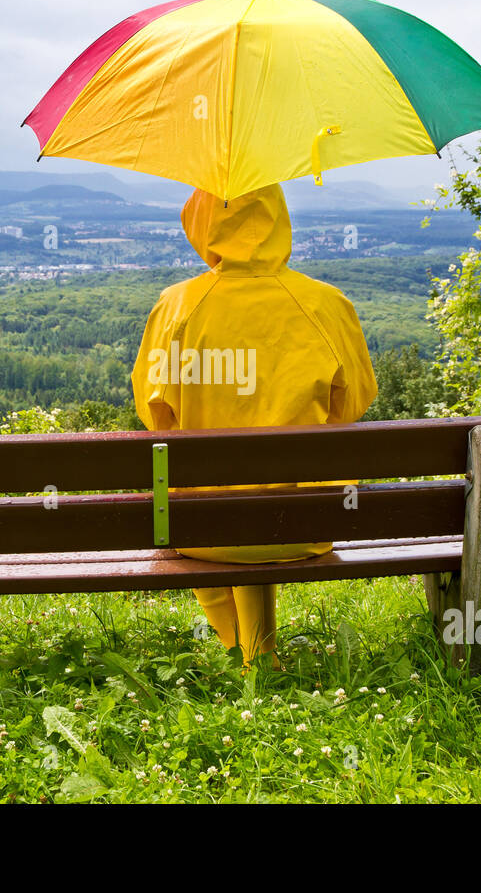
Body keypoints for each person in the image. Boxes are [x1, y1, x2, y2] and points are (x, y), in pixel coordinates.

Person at [131, 182, 377, 669]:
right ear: (276, 219)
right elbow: (355, 402)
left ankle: (237, 648)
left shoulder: (177, 306)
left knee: (197, 491)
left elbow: (155, 414)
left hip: (200, 529)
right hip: (306, 522)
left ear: (205, 224)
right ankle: (259, 657)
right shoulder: (326, 305)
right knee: (265, 495)